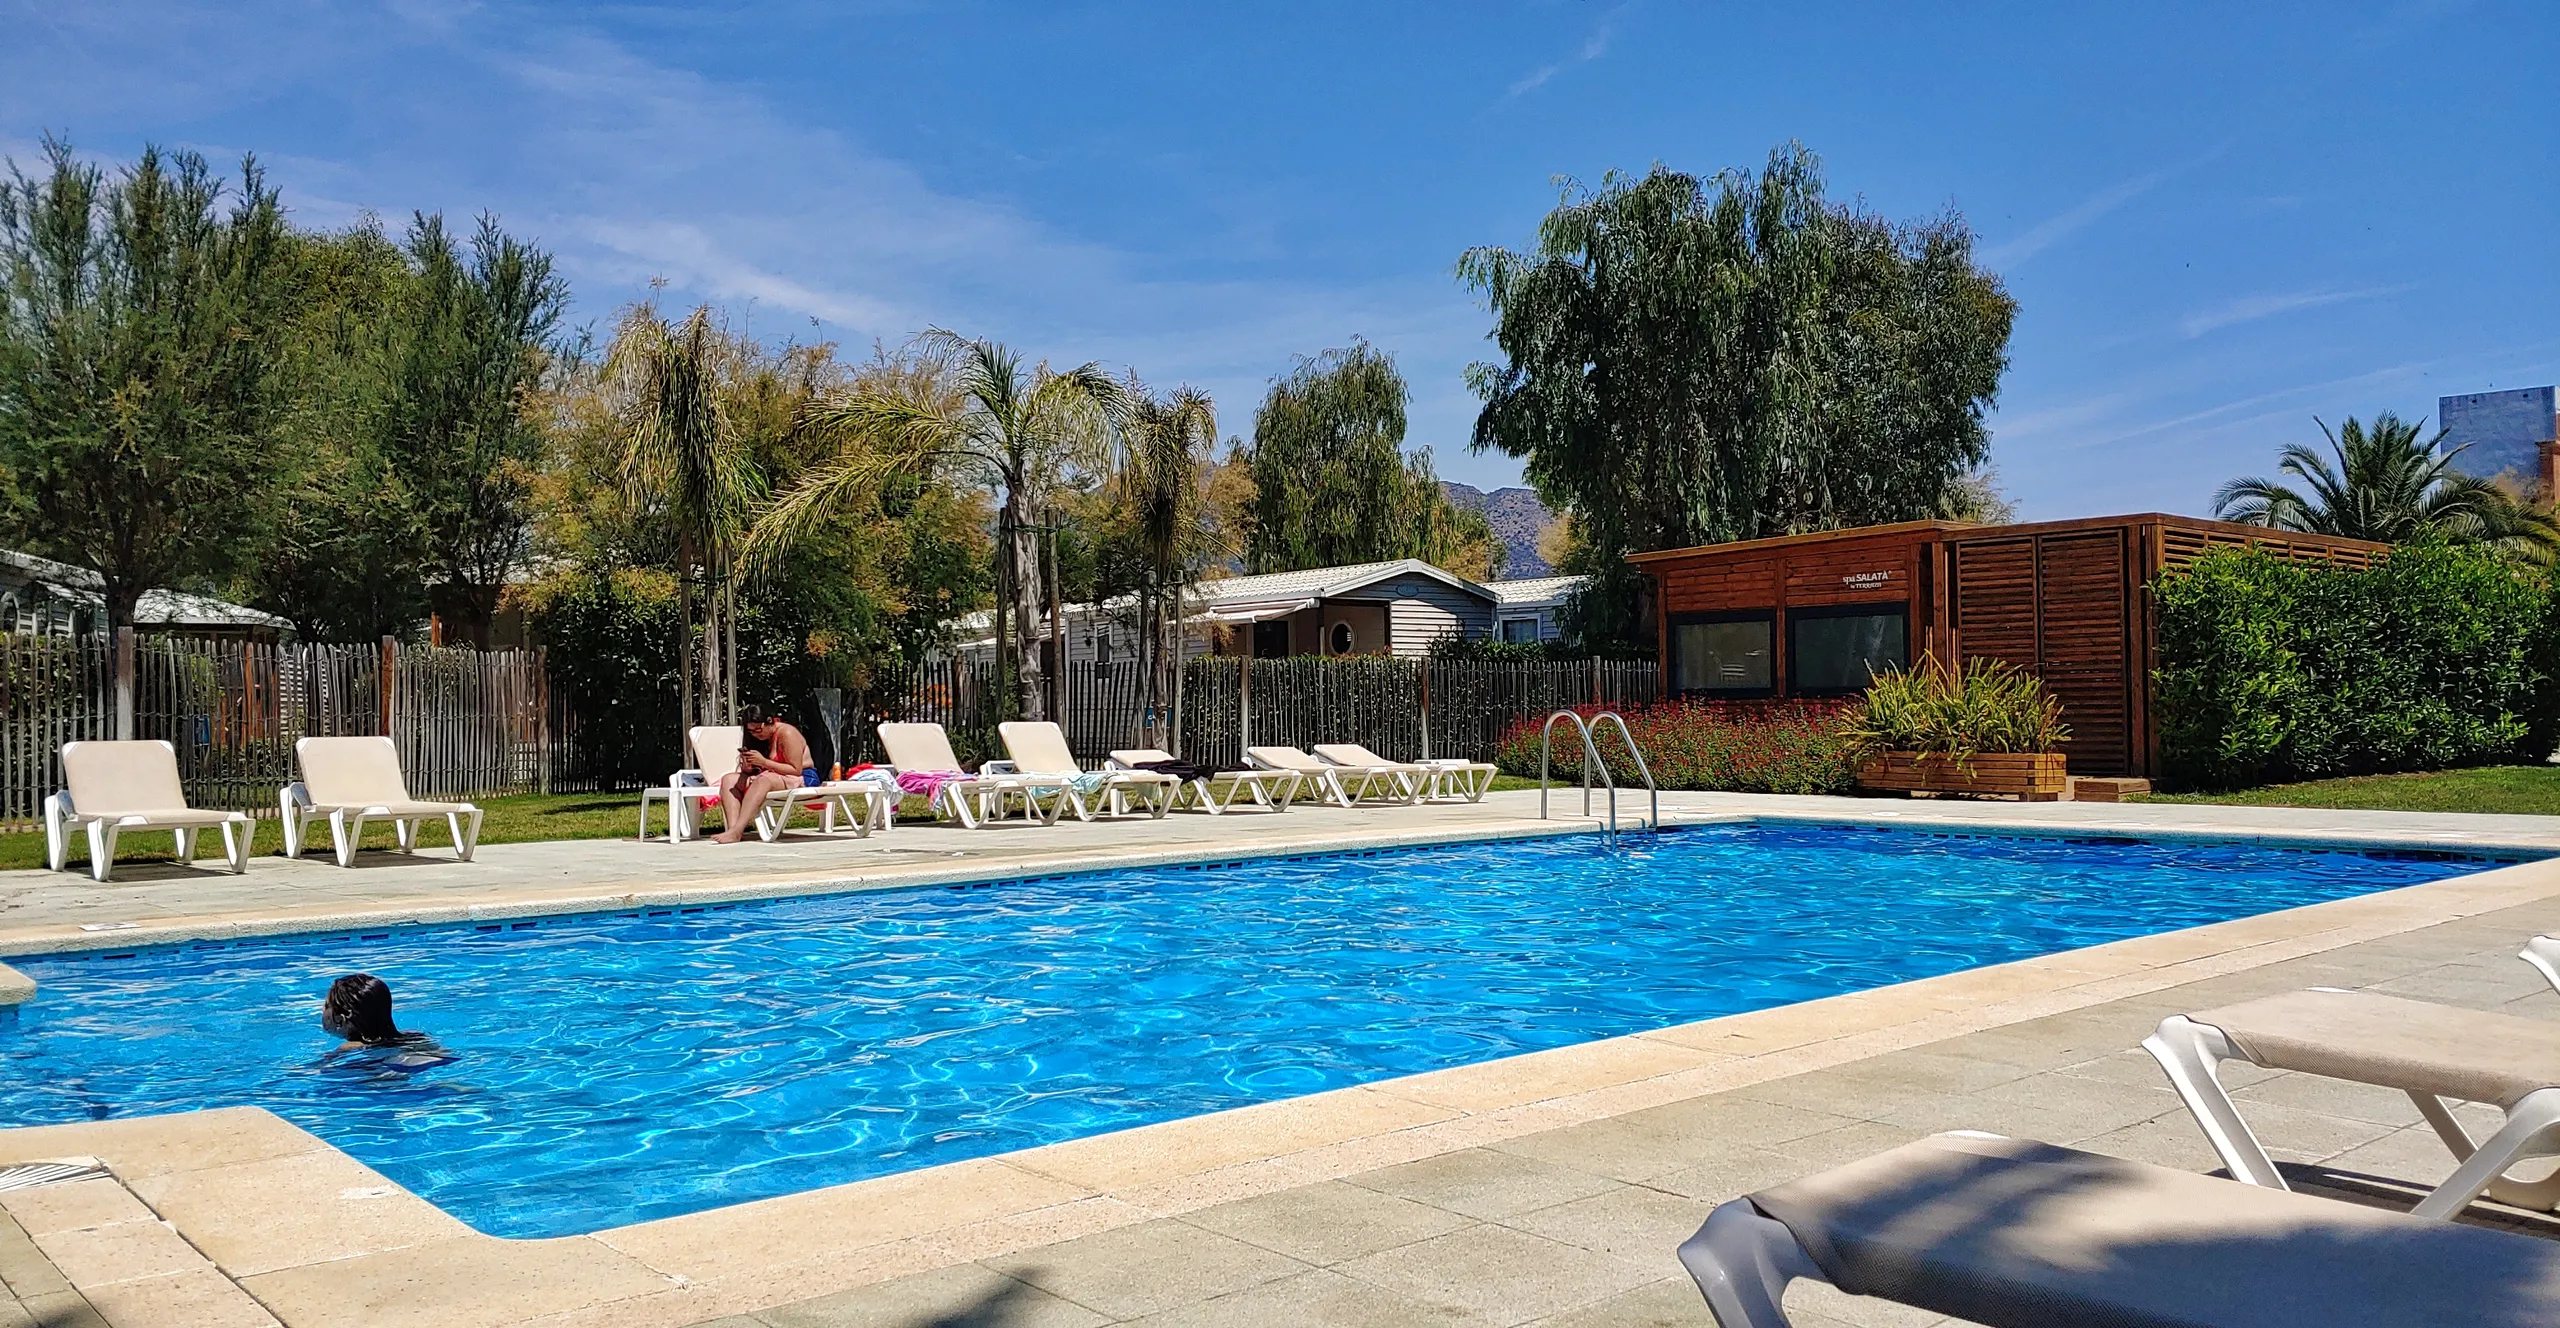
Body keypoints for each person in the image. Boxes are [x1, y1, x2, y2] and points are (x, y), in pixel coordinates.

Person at [710, 704, 816, 844]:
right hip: (772, 775)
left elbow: (796, 769)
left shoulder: (787, 733)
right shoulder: (758, 739)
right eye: (751, 731)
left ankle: (738, 830)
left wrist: (764, 762)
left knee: (763, 780)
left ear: (770, 721)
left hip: (802, 777)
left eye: (758, 729)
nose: (756, 734)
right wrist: (749, 767)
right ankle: (733, 829)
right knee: (729, 780)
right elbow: (758, 770)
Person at [319, 973, 451, 1070]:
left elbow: (321, 1069)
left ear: (340, 1019)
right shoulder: (415, 1035)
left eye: (326, 1006)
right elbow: (446, 1057)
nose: (322, 1009)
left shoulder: (350, 1046)